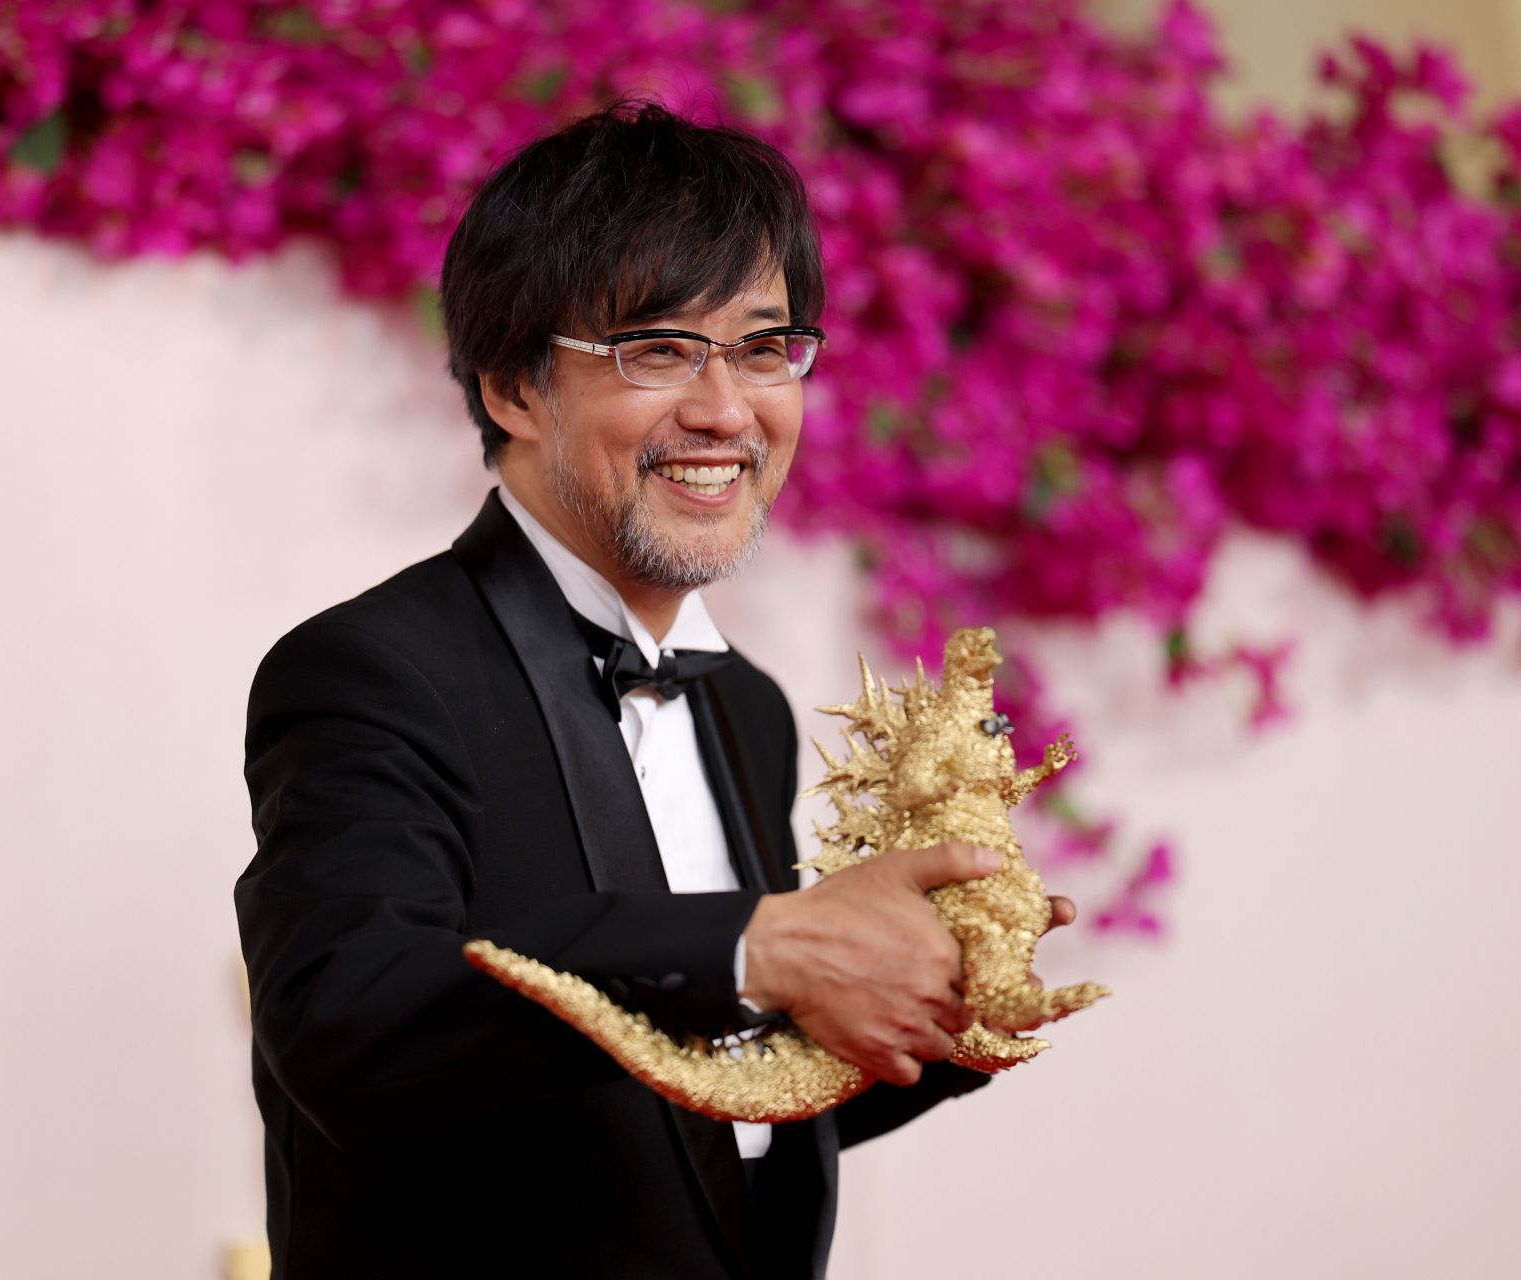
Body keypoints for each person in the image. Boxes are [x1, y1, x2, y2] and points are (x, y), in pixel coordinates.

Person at [234, 101, 1074, 1278]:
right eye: (659, 349)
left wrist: (940, 1014)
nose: (728, 409)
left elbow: (697, 1133)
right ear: (514, 384)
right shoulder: (372, 669)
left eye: (764, 346)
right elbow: (348, 1022)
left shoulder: (750, 708)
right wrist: (759, 946)